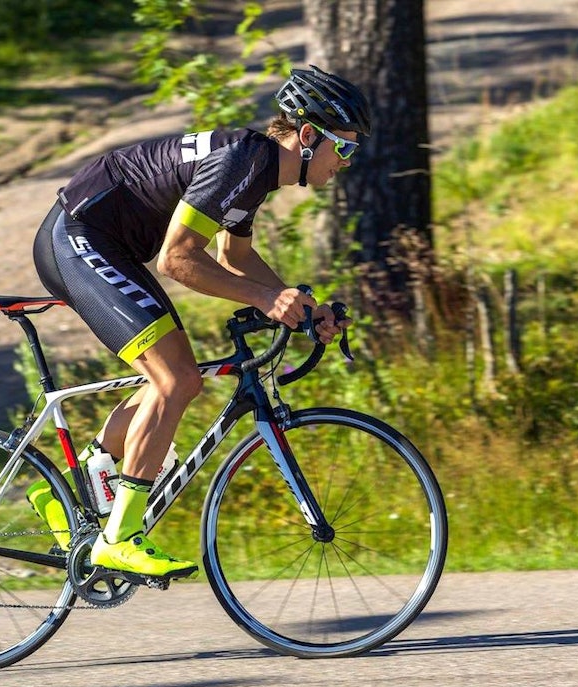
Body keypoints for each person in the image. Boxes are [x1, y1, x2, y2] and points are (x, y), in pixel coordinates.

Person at [29, 65, 369, 578]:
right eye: (343, 148)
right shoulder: (242, 161)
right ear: (306, 136)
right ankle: (119, 538)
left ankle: (75, 489)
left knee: (176, 378)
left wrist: (302, 305)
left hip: (107, 245)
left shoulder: (256, 171)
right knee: (177, 379)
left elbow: (236, 259)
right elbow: (178, 259)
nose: (346, 162)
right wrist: (267, 298)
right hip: (78, 237)